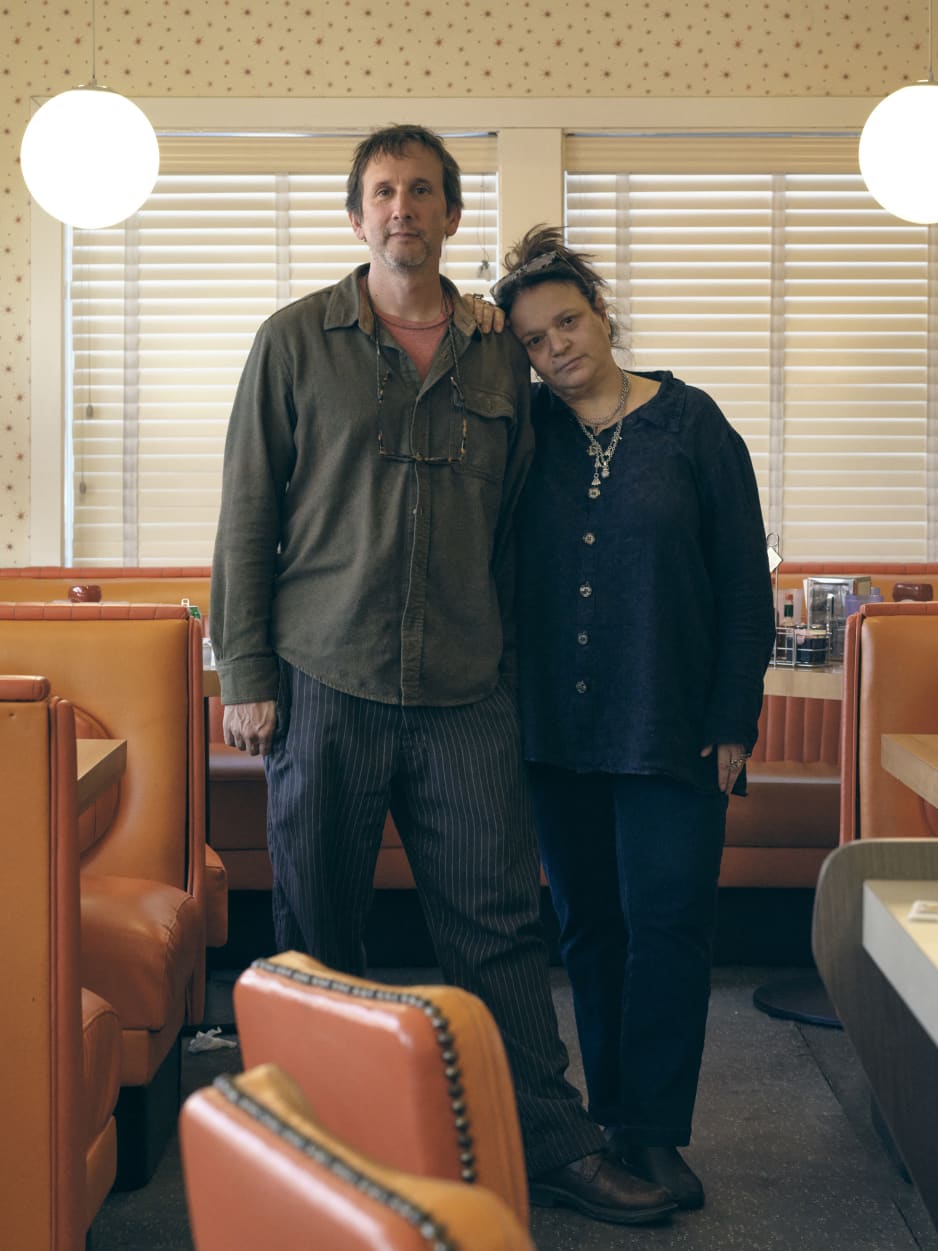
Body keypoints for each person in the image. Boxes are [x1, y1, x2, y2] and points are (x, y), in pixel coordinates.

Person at [210, 128, 677, 1226]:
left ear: (451, 217)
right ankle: (311, 1149)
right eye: (381, 192)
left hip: (465, 688)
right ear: (356, 217)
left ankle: (552, 1148)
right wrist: (248, 671)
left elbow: (526, 521)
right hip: (323, 677)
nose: (401, 208)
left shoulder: (496, 356)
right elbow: (246, 517)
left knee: (500, 925)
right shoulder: (291, 342)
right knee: (315, 930)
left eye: (422, 190)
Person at [486, 225, 776, 1210]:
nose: (555, 346)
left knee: (668, 927)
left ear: (601, 316)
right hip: (556, 738)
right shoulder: (522, 435)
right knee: (589, 932)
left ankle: (654, 1130)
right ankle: (606, 1123)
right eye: (531, 338)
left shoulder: (693, 425)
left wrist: (733, 715)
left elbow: (744, 582)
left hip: (672, 728)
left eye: (566, 321)